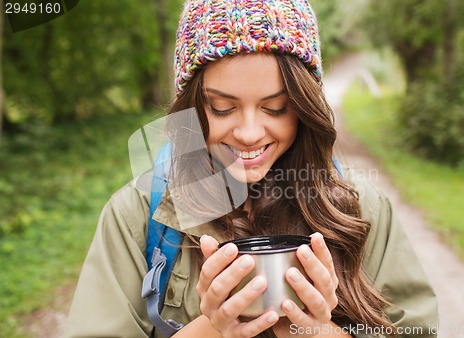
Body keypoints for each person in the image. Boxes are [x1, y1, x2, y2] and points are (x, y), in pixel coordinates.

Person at [63, 0, 438, 337]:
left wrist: (318, 333)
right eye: (221, 108)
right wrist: (212, 329)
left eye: (275, 107)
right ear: (191, 106)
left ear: (304, 106)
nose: (248, 133)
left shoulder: (360, 208)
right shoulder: (138, 214)